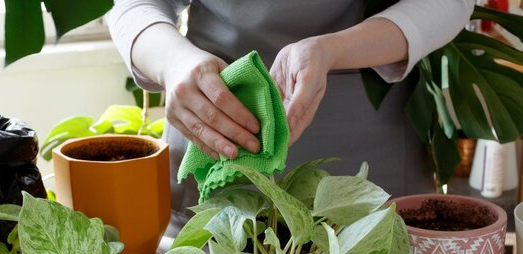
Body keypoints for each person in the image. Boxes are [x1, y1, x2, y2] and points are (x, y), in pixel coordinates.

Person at [107, 0, 475, 229]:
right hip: (214, 145)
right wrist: (173, 61)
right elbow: (134, 4)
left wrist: (334, 49)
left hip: (368, 167)